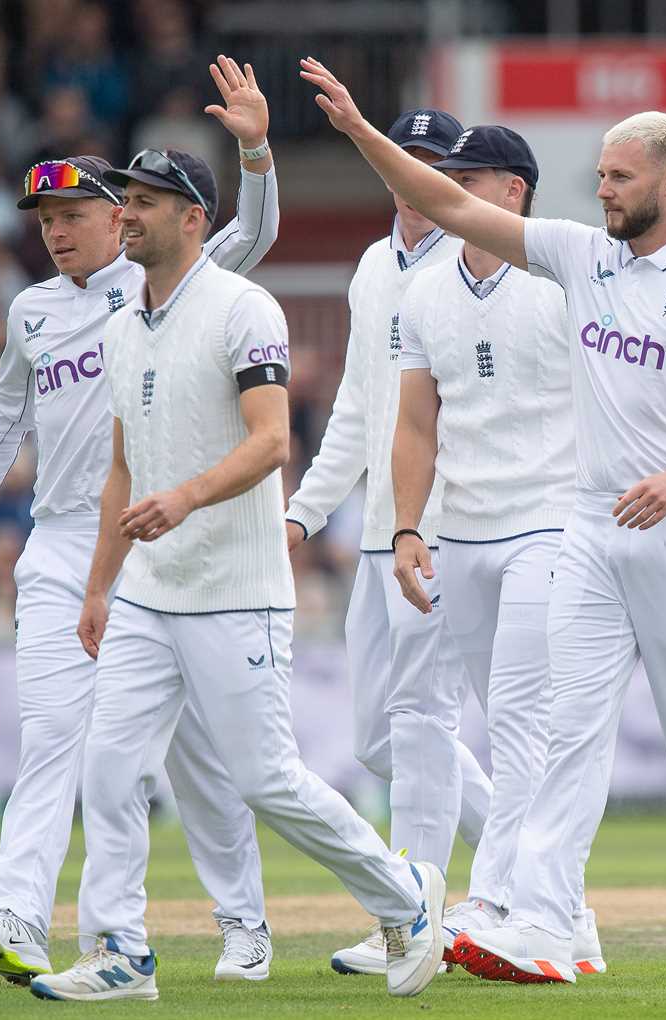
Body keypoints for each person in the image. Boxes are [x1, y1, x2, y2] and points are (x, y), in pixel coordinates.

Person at [302, 57, 666, 983]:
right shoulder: (579, 253)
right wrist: (362, 133)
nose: (603, 190)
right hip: (589, 531)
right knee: (564, 729)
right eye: (599, 176)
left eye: (619, 176)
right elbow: (449, 210)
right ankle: (541, 920)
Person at [28, 146, 446, 1004]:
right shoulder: (120, 324)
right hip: (148, 590)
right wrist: (101, 584)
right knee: (108, 769)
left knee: (265, 780)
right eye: (128, 200)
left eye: (148, 201)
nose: (129, 213)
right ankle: (118, 952)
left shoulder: (243, 308)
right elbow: (119, 469)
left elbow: (271, 443)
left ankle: (405, 898)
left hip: (237, 590)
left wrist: (183, 500)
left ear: (194, 219)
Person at [0, 56, 281, 985]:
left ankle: (244, 920)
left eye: (74, 215)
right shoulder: (30, 313)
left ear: (119, 216)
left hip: (164, 550)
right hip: (60, 550)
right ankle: (18, 916)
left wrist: (254, 149)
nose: (56, 233)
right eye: (44, 221)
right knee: (53, 736)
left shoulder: (160, 281)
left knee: (203, 762)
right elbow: (2, 414)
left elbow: (254, 232)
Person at [282, 107, 494, 976]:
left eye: (432, 164)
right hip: (377, 533)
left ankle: (416, 921)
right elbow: (362, 413)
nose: (414, 178)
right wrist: (302, 511)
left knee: (418, 727)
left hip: (438, 531)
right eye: (403, 161)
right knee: (381, 740)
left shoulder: (475, 260)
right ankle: (531, 867)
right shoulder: (375, 266)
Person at [391, 124, 604, 977]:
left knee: (520, 719)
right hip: (464, 532)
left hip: (553, 521)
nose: (446, 192)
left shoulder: (565, 279)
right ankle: (573, 917)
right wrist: (409, 526)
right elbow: (415, 422)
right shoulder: (424, 293)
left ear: (513, 191)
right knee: (502, 717)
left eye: (466, 178)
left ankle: (495, 897)